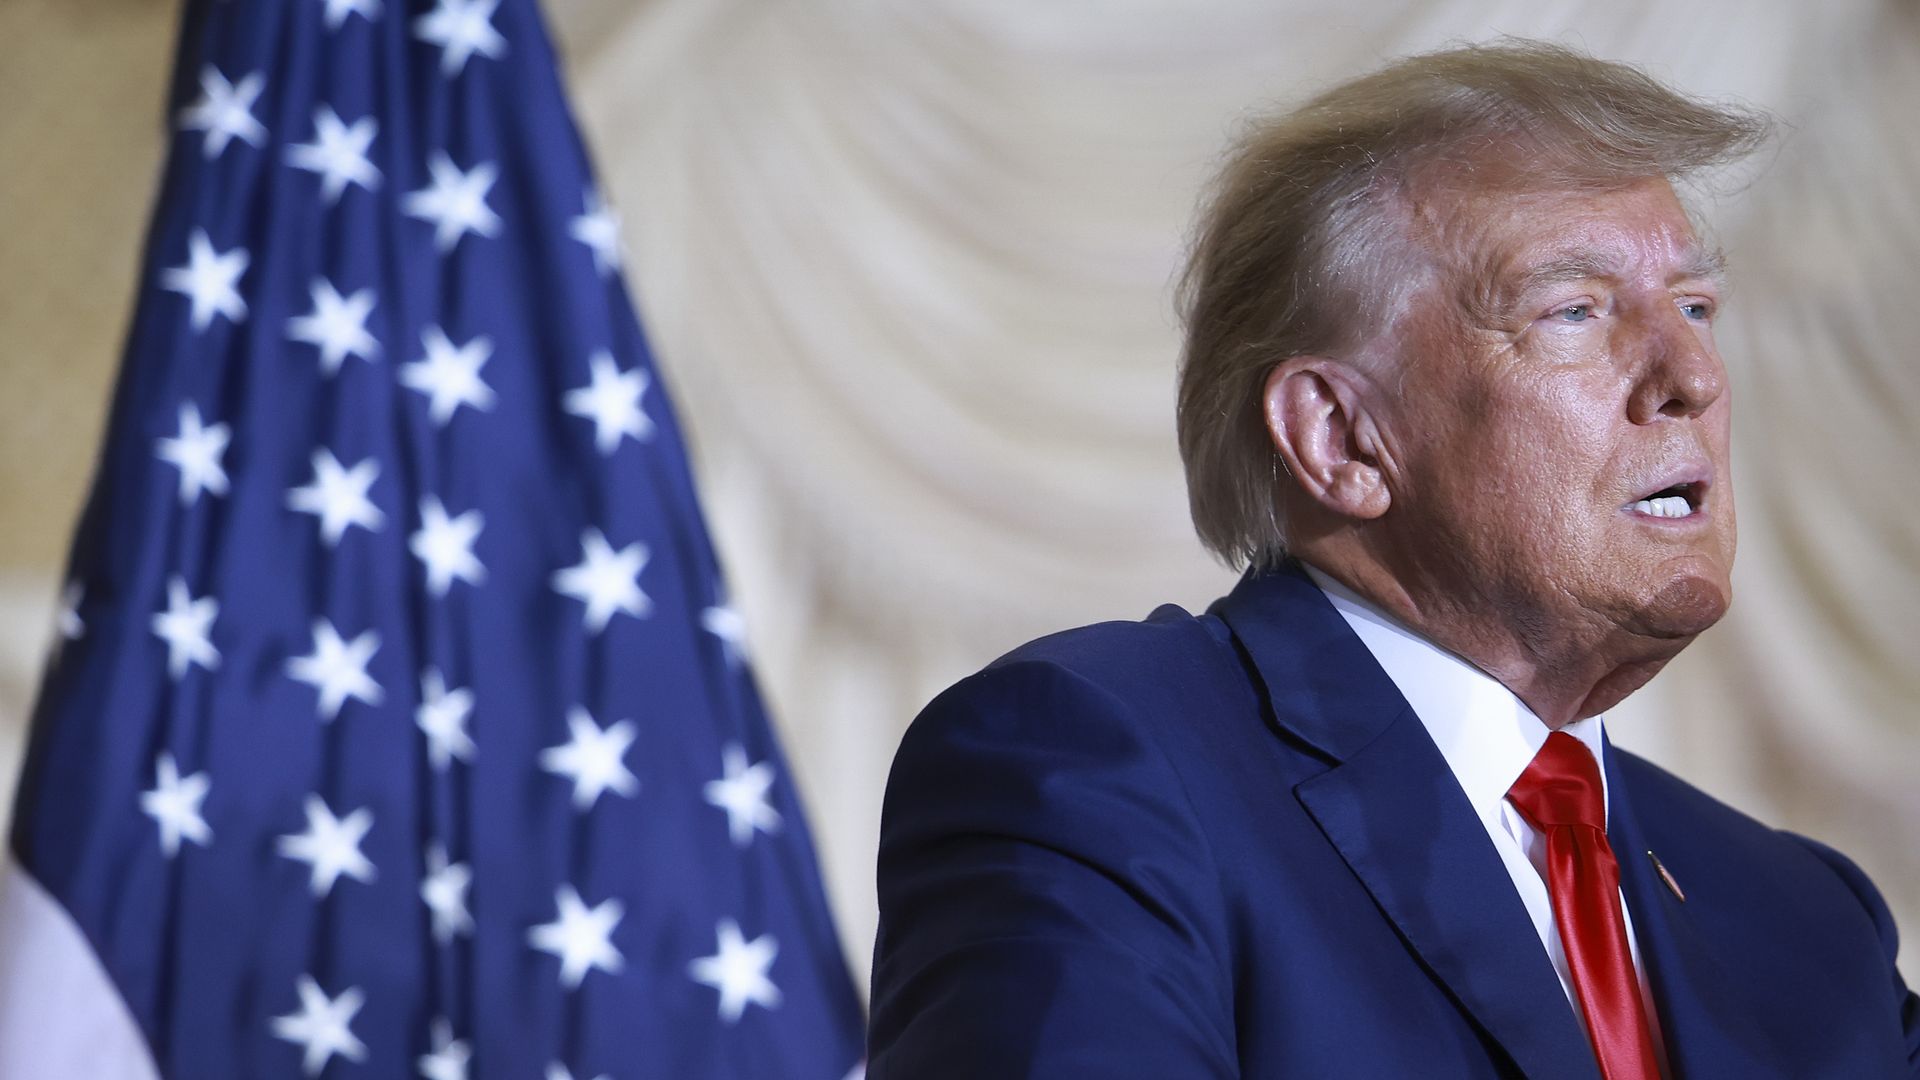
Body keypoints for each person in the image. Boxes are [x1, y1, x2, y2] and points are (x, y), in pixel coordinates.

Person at [866, 40, 1920, 1079]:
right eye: (1574, 311)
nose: (1691, 373)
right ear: (1341, 438)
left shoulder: (1807, 923)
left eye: (1695, 306)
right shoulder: (1096, 772)